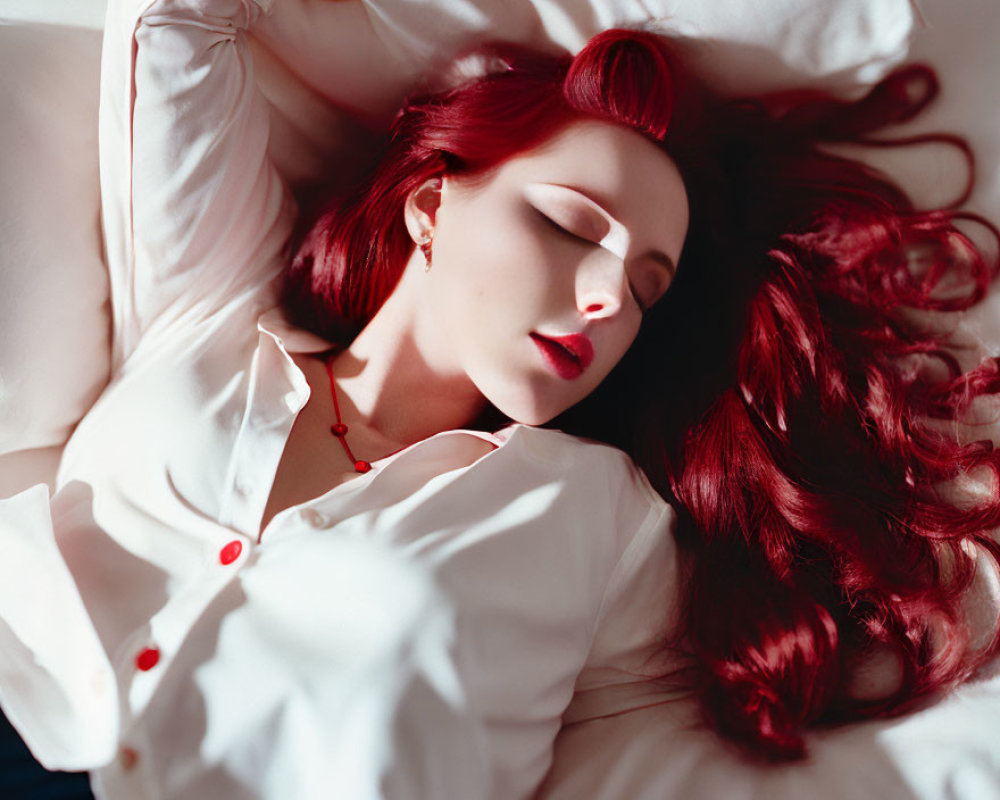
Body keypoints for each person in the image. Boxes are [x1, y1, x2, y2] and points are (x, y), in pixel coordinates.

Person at [0, 0, 997, 799]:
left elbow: (657, 757)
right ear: (431, 202)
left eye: (646, 286)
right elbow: (185, 13)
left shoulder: (599, 515)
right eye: (571, 226)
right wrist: (498, 39)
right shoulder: (212, 314)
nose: (608, 297)